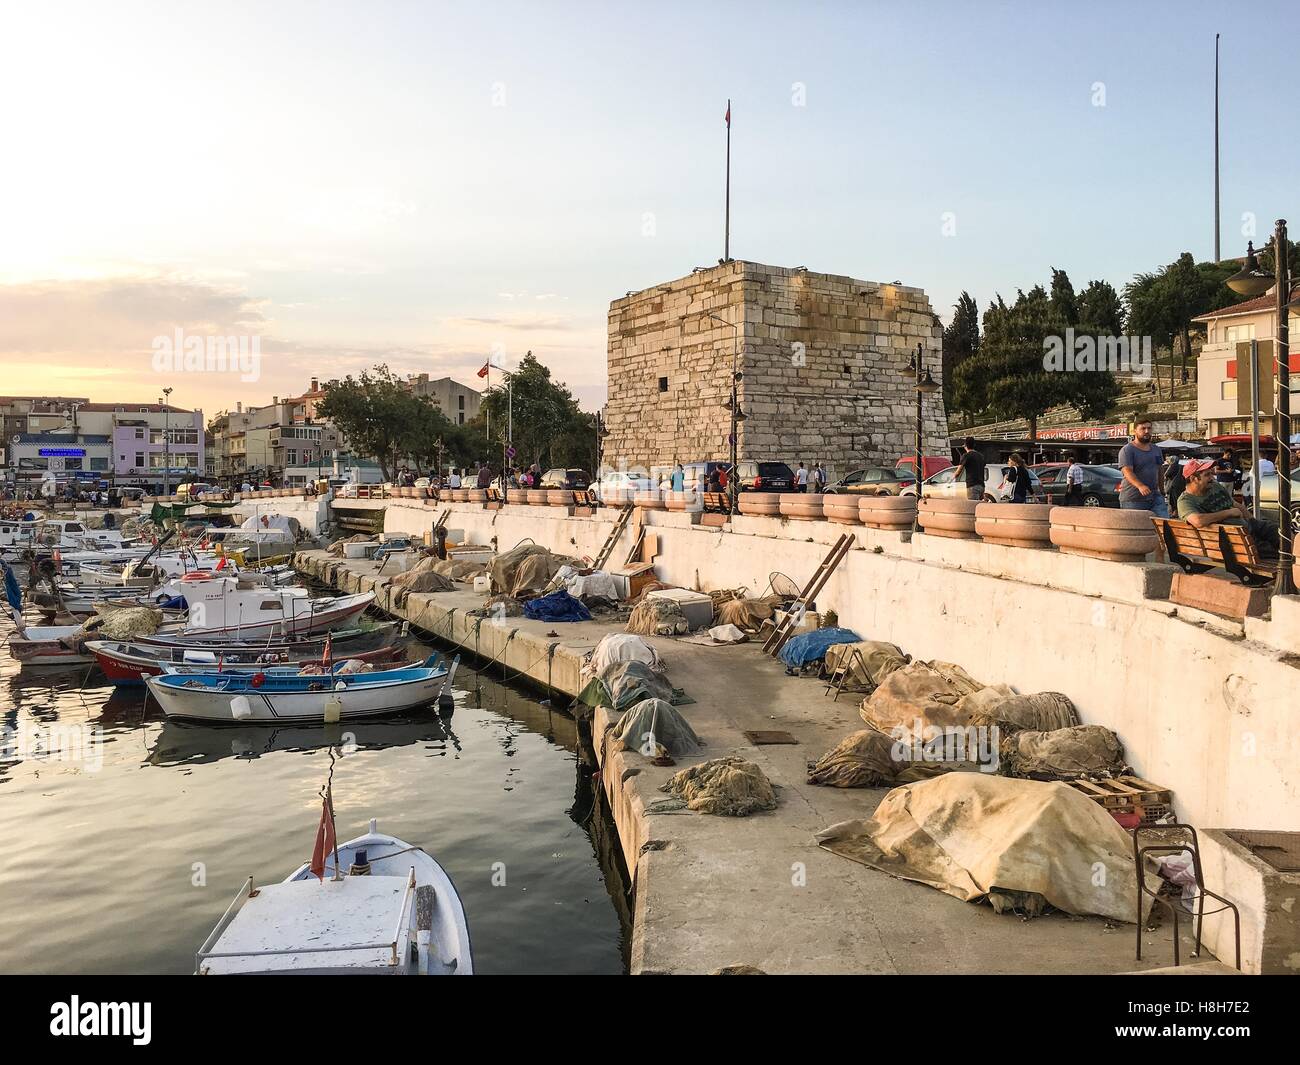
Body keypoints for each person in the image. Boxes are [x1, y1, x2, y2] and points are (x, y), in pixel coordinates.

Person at [1177, 458, 1280, 558]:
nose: (1212, 478)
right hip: (1235, 540)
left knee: (1282, 531)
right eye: (1207, 475)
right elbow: (1198, 521)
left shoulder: (1215, 486)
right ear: (1193, 479)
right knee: (1282, 552)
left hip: (1247, 527)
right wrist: (1229, 513)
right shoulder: (1185, 501)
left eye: (1211, 474)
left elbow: (1236, 505)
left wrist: (1253, 521)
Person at [1118, 418, 1169, 518]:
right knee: (1138, 530)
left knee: (1164, 524)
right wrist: (1140, 485)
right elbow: (1127, 471)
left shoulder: (1156, 449)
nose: (1147, 431)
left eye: (1149, 428)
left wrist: (1162, 491)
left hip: (1154, 496)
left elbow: (1160, 470)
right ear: (1135, 431)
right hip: (1133, 499)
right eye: (1143, 428)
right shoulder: (1127, 450)